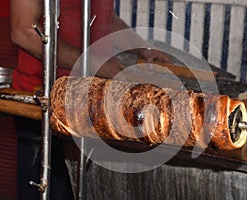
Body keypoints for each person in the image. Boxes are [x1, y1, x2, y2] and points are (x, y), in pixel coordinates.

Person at [9, 0, 171, 199]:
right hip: (44, 100)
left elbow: (106, 19)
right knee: (50, 190)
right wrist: (89, 62)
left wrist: (143, 48)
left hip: (91, 101)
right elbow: (23, 32)